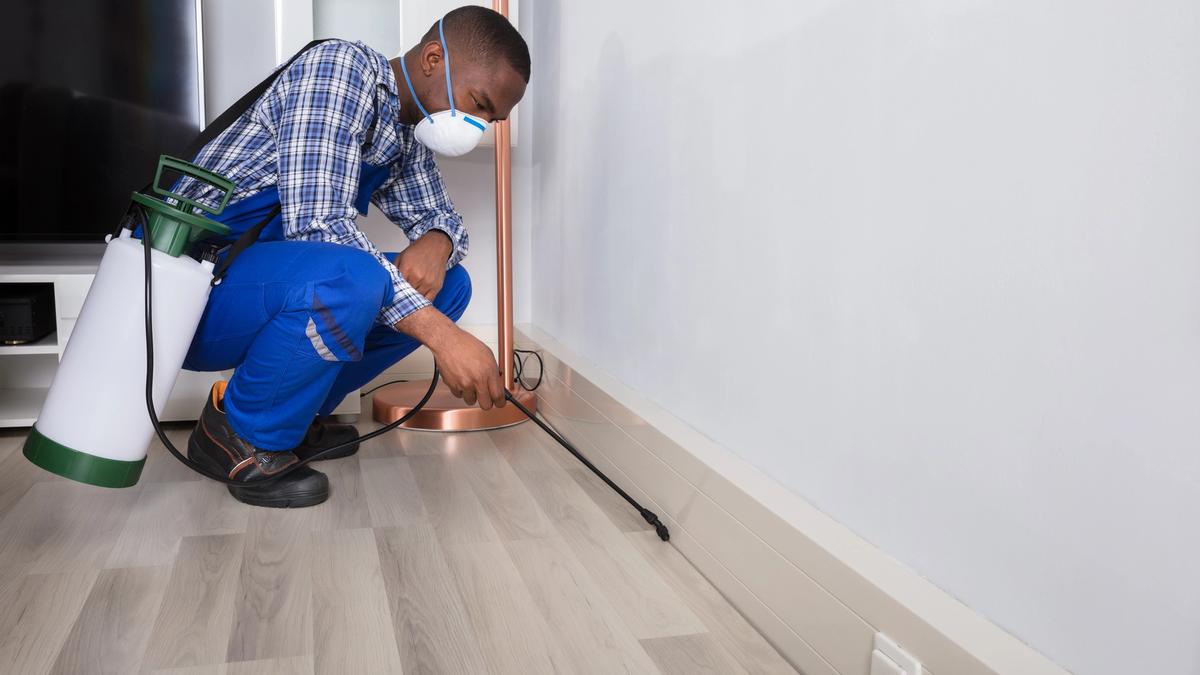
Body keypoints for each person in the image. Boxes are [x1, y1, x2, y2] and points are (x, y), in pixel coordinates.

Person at [174, 6, 529, 508]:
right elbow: (319, 226)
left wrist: (438, 241)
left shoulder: (403, 132)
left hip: (252, 283)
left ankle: (294, 418)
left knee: (452, 286)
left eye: (492, 119)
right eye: (479, 104)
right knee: (352, 276)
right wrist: (444, 338)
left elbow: (445, 220)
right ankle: (238, 434)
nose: (480, 126)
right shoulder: (341, 70)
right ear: (433, 58)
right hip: (189, 296)